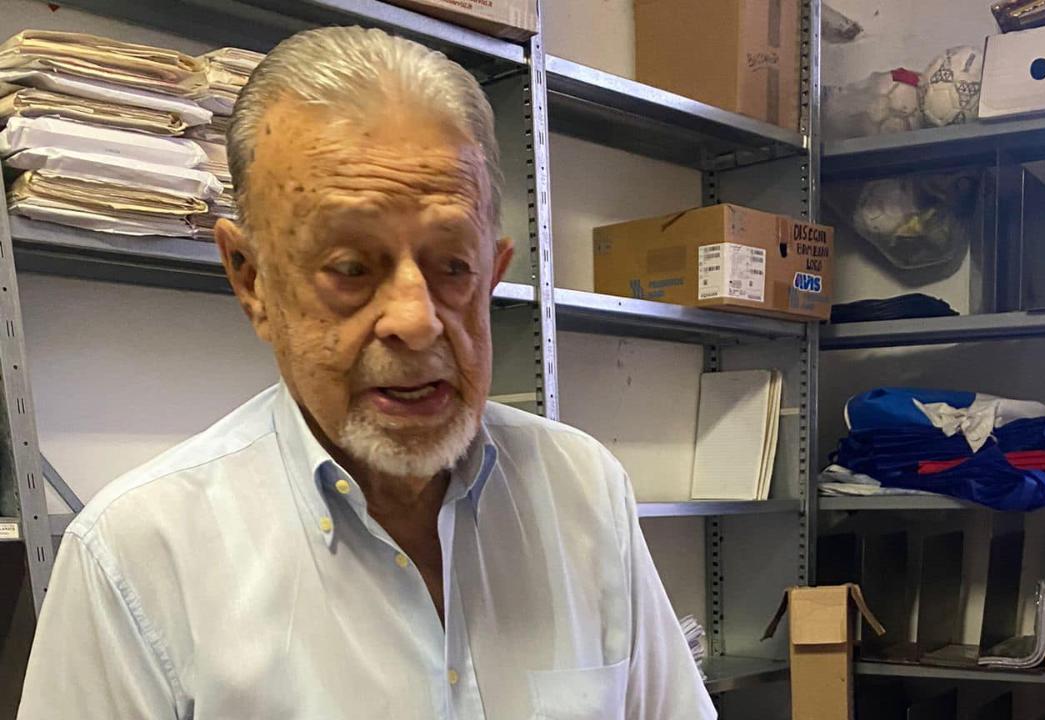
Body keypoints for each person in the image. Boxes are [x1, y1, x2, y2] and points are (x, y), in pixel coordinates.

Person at [18, 26, 715, 720]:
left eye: (453, 266)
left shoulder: (583, 491)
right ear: (252, 281)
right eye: (351, 268)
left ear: (494, 273)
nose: (416, 320)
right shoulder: (135, 560)